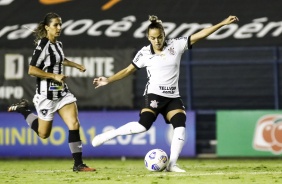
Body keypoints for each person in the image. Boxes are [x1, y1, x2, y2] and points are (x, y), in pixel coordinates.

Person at [92, 15, 239, 172]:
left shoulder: (176, 45)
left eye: (160, 37)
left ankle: (172, 164)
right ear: (148, 37)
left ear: (164, 34)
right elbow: (128, 70)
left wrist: (222, 23)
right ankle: (109, 135)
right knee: (143, 126)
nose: (157, 41)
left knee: (180, 126)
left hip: (172, 97)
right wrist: (108, 80)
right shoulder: (144, 53)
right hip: (154, 94)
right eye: (153, 38)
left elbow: (201, 34)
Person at [8, 12, 96, 172]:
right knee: (43, 134)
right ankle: (24, 110)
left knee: (74, 123)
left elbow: (60, 59)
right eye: (55, 25)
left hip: (61, 92)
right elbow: (32, 69)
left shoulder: (58, 45)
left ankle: (78, 164)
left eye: (60, 24)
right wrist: (54, 75)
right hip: (45, 96)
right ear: (47, 27)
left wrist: (76, 65)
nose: (59, 27)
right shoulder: (43, 44)